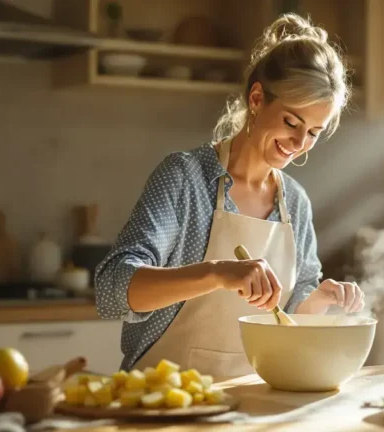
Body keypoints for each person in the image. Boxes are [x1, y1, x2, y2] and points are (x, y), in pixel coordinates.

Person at [94, 13, 365, 376]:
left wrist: (319, 300)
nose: (300, 145)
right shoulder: (185, 178)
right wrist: (217, 274)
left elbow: (289, 311)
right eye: (291, 122)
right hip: (163, 400)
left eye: (314, 132)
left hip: (253, 401)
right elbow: (113, 288)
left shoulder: (294, 202)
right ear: (256, 98)